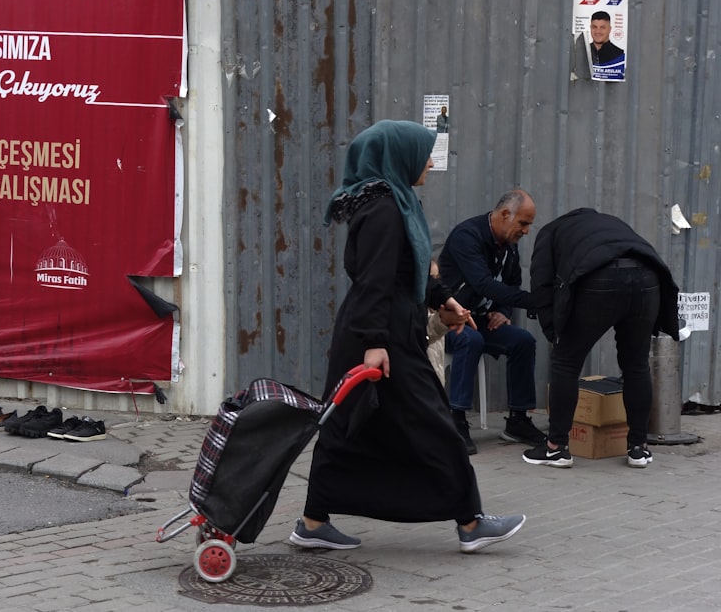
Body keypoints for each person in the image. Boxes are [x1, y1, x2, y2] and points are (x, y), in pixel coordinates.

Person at [289, 120, 525, 554]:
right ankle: (471, 523)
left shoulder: (397, 202)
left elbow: (409, 271)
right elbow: (374, 281)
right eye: (424, 154)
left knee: (347, 427)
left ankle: (312, 521)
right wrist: (376, 343)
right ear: (399, 158)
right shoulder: (383, 209)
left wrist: (443, 300)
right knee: (433, 422)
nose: (431, 162)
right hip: (383, 336)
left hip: (381, 329)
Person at [523, 208, 680, 469]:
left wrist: (554, 333)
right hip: (648, 278)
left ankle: (556, 448)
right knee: (636, 364)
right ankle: (639, 448)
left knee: (566, 363)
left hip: (599, 280)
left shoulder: (550, 232)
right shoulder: (611, 222)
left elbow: (541, 286)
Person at [439, 190, 547, 454]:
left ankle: (518, 420)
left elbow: (511, 283)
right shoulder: (468, 236)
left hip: (476, 317)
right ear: (504, 215)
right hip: (444, 319)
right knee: (470, 339)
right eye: (523, 223)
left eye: (529, 224)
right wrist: (535, 301)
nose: (526, 231)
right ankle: (456, 420)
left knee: (523, 341)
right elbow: (483, 284)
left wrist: (504, 310)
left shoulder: (508, 245)